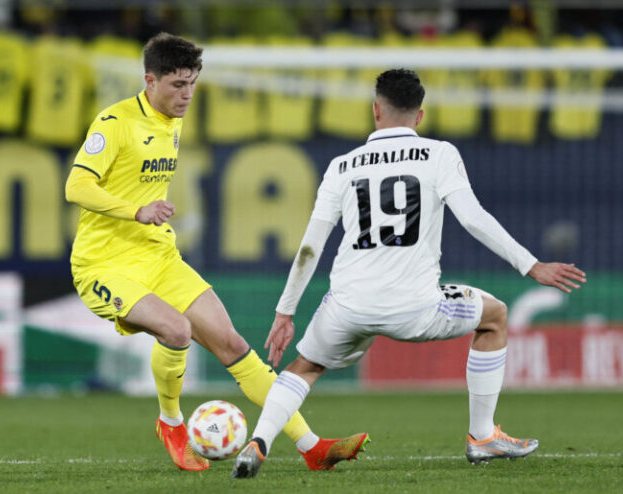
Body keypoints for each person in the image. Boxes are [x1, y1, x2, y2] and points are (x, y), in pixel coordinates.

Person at [232, 68, 587, 478]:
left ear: (375, 110)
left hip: (347, 306)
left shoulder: (341, 166)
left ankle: (258, 442)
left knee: (304, 368)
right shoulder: (439, 154)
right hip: (417, 308)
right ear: (420, 116)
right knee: (494, 316)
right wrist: (531, 264)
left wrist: (285, 312)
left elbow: (311, 246)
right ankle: (482, 436)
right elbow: (472, 219)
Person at [64, 32, 368, 472]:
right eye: (176, 85)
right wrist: (138, 210)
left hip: (158, 257)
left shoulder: (172, 117)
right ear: (150, 81)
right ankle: (171, 423)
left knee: (233, 345)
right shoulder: (115, 123)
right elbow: (76, 186)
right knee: (176, 330)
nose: (186, 94)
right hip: (103, 266)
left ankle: (312, 447)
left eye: (192, 84)